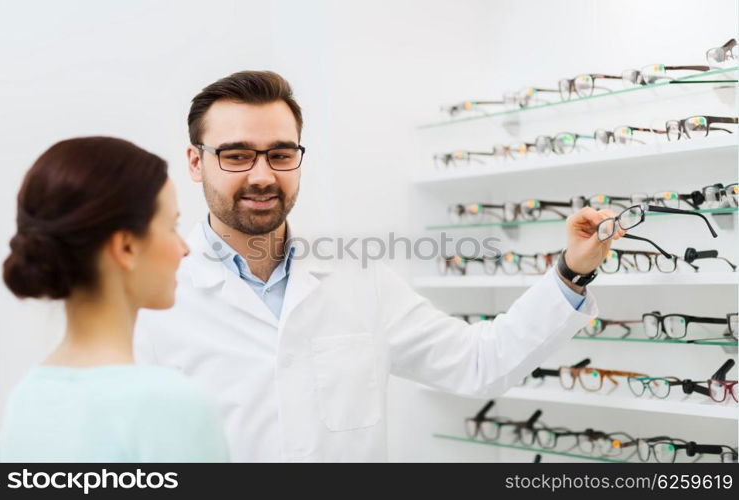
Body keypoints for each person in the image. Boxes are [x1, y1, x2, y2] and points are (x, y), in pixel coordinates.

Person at [134, 71, 624, 462]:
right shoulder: (151, 297)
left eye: (281, 154)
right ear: (196, 163)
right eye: (237, 155)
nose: (263, 175)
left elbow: (481, 363)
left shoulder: (355, 277)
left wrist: (571, 272)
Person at [0, 137, 228, 462]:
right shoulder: (170, 405)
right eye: (171, 226)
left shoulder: (25, 400)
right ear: (126, 247)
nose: (184, 248)